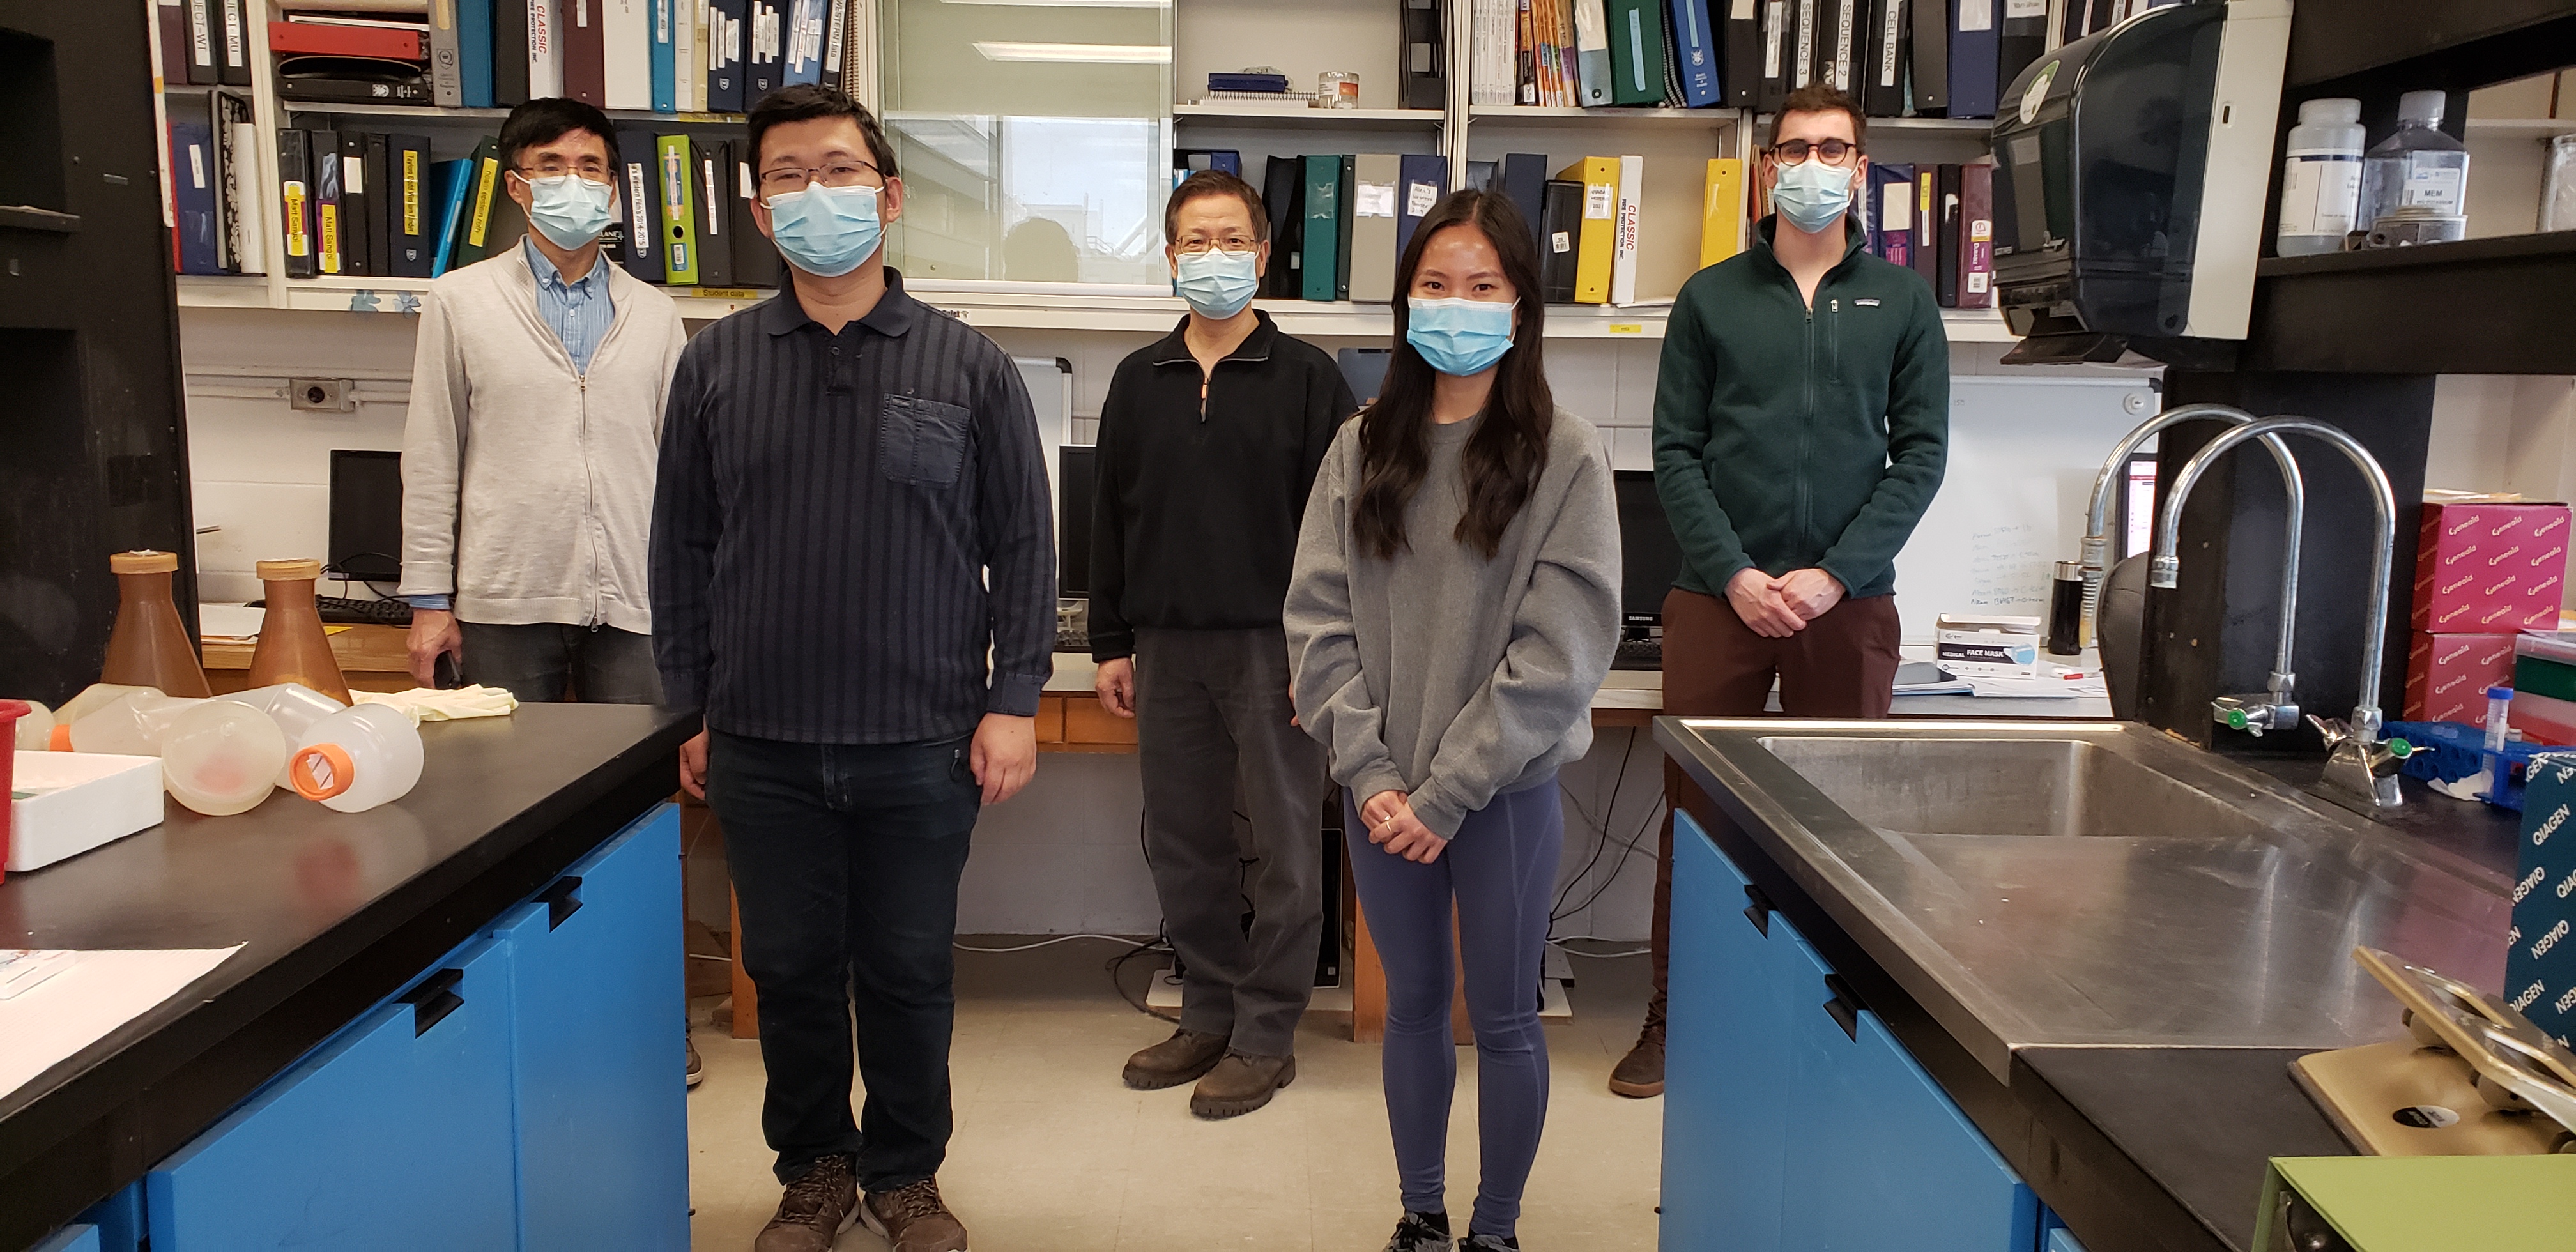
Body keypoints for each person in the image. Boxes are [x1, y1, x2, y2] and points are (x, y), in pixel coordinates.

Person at [650, 84, 1052, 1252]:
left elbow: (1025, 545)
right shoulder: (715, 365)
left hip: (922, 738)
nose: (813, 193)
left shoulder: (968, 365)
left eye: (837, 170)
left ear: (889, 196)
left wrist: (1014, 701)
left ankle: (907, 1175)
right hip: (761, 739)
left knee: (910, 971)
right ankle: (815, 1171)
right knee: (787, 970)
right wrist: (689, 707)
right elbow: (680, 547)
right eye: (787, 176)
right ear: (758, 211)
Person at [1285, 189, 1621, 1252]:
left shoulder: (1565, 455)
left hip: (1500, 796)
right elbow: (1317, 620)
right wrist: (1373, 774)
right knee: (1412, 1005)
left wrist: (1447, 791)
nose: (1457, 305)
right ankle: (1422, 1214)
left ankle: (1497, 1229)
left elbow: (1559, 652)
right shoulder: (1359, 448)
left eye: (1482, 286)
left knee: (1507, 1015)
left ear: (1520, 307)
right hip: (1382, 798)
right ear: (1406, 302)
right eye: (1435, 284)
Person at [1614, 82, 1949, 1099]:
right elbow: (1675, 454)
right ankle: (1674, 1021)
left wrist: (1833, 576)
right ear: (1767, 168)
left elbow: (1920, 458)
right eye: (1794, 148)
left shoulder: (1904, 302)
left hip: (1850, 607)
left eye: (1832, 149)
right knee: (1698, 823)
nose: (1811, 165)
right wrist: (1736, 575)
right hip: (1719, 602)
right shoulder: (1711, 297)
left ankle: (1829, 1030)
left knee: (1840, 830)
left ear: (1861, 168)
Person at [1093, 171, 1354, 1119]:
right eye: (1195, 242)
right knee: (1185, 843)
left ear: (1263, 253)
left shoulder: (1310, 379)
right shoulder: (1138, 380)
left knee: (1285, 849)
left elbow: (1344, 534)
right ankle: (1206, 1010)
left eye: (1232, 240)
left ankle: (1267, 1032)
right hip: (1166, 650)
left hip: (1275, 652)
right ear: (1170, 258)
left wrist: (1323, 658)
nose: (1214, 257)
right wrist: (1111, 641)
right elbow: (1110, 518)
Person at [400, 97, 687, 707]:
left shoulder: (656, 314)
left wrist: (689, 597)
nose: (573, 181)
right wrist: (428, 601)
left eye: (590, 167)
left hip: (634, 603)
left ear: (613, 188)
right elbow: (431, 457)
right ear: (516, 186)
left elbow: (681, 472)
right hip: (504, 601)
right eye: (551, 166)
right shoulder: (460, 301)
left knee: (637, 764)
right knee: (511, 764)